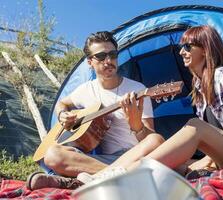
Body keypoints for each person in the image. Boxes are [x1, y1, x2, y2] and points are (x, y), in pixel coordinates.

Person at [79, 25, 223, 182]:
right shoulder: (199, 85)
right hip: (220, 157)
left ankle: (120, 176)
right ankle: (104, 176)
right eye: (182, 46)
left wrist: (208, 159)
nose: (182, 51)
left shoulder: (222, 76)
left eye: (188, 46)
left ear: (205, 49)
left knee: (195, 126)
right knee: (172, 165)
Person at [26, 31, 164, 190]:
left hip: (137, 156)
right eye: (101, 56)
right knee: (52, 155)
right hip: (103, 161)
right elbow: (62, 103)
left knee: (156, 141)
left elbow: (151, 139)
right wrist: (62, 114)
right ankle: (119, 175)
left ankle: (87, 180)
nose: (108, 61)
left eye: (113, 55)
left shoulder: (137, 90)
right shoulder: (85, 90)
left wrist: (136, 126)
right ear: (90, 62)